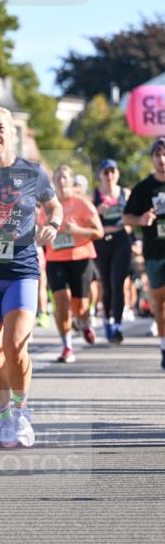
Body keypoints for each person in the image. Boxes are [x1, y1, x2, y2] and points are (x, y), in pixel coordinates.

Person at [0, 108, 62, 447]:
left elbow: (54, 206)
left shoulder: (31, 171)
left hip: (22, 270)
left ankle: (22, 409)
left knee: (14, 345)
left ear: (12, 133)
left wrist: (52, 225)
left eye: (0, 128)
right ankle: (4, 418)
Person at [44, 164, 103, 363]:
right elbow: (37, 232)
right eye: (58, 178)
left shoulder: (82, 204)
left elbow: (99, 232)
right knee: (60, 301)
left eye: (65, 178)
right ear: (53, 182)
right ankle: (67, 346)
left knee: (81, 306)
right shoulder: (47, 206)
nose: (61, 181)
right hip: (55, 259)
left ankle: (84, 323)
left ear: (71, 181)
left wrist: (77, 230)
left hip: (81, 257)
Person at [123, 137, 165, 371]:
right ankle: (163, 346)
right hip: (155, 252)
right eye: (158, 154)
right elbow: (126, 217)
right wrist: (141, 219)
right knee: (159, 304)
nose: (162, 159)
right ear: (152, 158)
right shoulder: (143, 188)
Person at [92, 159, 133, 344]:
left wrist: (130, 224)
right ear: (100, 175)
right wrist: (97, 211)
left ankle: (117, 324)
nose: (109, 176)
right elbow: (85, 219)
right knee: (106, 284)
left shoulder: (126, 193)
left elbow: (135, 217)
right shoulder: (95, 196)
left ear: (117, 174)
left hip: (121, 240)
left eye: (112, 172)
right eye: (105, 172)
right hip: (102, 241)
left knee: (118, 282)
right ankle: (107, 319)